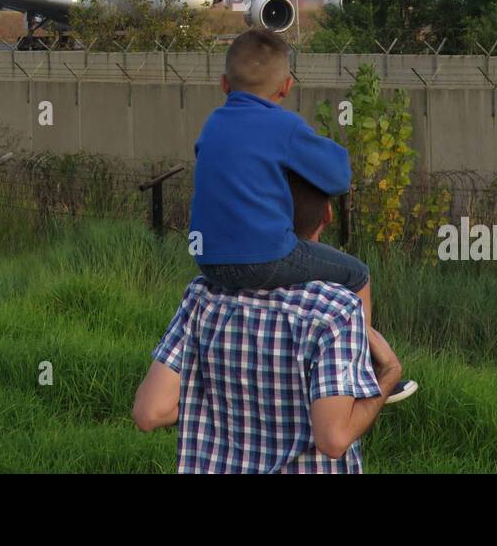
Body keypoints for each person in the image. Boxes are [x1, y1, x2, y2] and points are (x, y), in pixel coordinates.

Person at [132, 170, 414, 472]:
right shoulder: (336, 310)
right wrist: (388, 374)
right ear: (328, 215)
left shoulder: (203, 296)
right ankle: (364, 373)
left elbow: (150, 412)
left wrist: (220, 404)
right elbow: (333, 439)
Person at [188, 29, 412, 399]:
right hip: (264, 257)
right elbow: (338, 178)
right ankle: (360, 374)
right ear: (286, 87)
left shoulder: (213, 122)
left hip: (208, 261)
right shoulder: (284, 126)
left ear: (224, 83)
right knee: (357, 275)